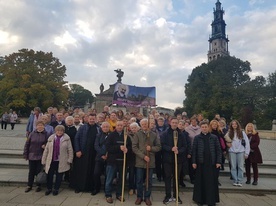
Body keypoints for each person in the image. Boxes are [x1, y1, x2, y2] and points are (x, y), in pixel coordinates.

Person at [132, 118, 161, 206]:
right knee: (139, 180)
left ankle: (147, 197)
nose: (145, 126)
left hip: (150, 161)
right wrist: (143, 156)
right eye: (143, 124)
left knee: (149, 181)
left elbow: (159, 146)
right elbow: (134, 147)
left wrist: (151, 148)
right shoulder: (137, 134)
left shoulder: (153, 134)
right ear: (140, 125)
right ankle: (139, 197)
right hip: (140, 161)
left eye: (146, 124)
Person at [192, 121, 222, 206]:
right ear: (200, 128)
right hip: (201, 163)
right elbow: (194, 151)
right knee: (200, 182)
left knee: (211, 182)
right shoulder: (197, 138)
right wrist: (194, 162)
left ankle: (211, 200)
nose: (204, 128)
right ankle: (200, 200)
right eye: (203, 127)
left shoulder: (214, 137)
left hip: (211, 163)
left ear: (208, 128)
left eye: (206, 127)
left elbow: (218, 150)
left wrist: (218, 161)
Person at [71, 114, 100, 193]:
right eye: (90, 119)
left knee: (92, 171)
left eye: (93, 119)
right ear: (87, 119)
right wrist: (77, 150)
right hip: (83, 152)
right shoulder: (83, 127)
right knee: (81, 170)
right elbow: (76, 138)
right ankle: (79, 187)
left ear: (96, 119)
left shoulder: (98, 128)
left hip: (94, 153)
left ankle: (91, 188)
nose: (92, 120)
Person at [161, 118, 187, 204]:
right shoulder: (165, 133)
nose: (174, 124)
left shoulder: (181, 134)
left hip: (178, 159)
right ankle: (168, 195)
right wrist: (171, 149)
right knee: (168, 177)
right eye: (173, 122)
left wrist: (179, 151)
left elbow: (184, 146)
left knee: (177, 177)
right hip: (167, 159)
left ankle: (176, 195)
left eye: (176, 123)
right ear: (170, 123)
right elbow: (162, 145)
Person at [41, 125, 73, 196]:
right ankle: (49, 188)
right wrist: (43, 160)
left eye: (61, 130)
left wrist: (70, 159)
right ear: (55, 131)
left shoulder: (66, 139)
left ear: (63, 131)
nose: (59, 132)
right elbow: (46, 150)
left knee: (59, 175)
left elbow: (70, 150)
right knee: (49, 175)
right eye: (58, 130)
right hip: (51, 160)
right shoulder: (51, 138)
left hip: (61, 160)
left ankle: (56, 189)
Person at [104, 121, 131, 204]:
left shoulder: (126, 136)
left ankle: (119, 194)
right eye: (118, 125)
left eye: (121, 125)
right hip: (112, 161)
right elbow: (108, 147)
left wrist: (127, 150)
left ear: (123, 126)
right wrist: (119, 147)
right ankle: (108, 194)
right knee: (110, 178)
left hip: (122, 161)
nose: (119, 126)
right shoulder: (111, 135)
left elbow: (130, 146)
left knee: (121, 179)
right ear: (116, 126)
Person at [23, 121, 48, 193]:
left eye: (41, 125)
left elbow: (49, 143)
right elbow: (27, 144)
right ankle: (29, 185)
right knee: (31, 171)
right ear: (36, 126)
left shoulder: (46, 134)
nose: (40, 127)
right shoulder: (32, 134)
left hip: (41, 155)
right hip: (32, 155)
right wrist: (25, 154)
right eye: (38, 125)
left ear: (44, 126)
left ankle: (38, 185)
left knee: (38, 171)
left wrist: (45, 145)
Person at [224, 120, 250, 187]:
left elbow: (247, 143)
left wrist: (247, 153)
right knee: (233, 167)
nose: (234, 125)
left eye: (235, 124)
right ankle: (235, 180)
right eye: (233, 124)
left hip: (241, 151)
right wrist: (227, 144)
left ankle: (240, 180)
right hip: (232, 151)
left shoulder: (242, 132)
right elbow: (225, 139)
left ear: (238, 125)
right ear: (231, 125)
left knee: (240, 166)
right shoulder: (229, 132)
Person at [92, 121, 110, 196]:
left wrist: (107, 154)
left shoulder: (111, 135)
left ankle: (107, 189)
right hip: (99, 157)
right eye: (104, 127)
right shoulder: (98, 135)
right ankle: (97, 188)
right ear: (101, 128)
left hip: (109, 157)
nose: (105, 128)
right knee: (96, 173)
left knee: (107, 174)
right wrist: (102, 154)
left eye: (107, 127)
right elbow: (96, 146)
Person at [209, 119, 226, 186]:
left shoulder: (220, 132)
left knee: (217, 166)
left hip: (219, 150)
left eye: (216, 124)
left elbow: (222, 141)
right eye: (213, 124)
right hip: (211, 151)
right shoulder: (209, 132)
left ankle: (216, 179)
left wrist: (224, 149)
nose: (214, 126)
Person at [185, 116, 201, 184]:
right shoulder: (187, 129)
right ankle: (192, 178)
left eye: (195, 121)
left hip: (198, 148)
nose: (194, 122)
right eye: (192, 121)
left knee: (198, 163)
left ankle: (197, 177)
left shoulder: (200, 129)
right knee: (191, 164)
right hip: (191, 148)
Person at [128, 122, 140, 195]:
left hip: (138, 156)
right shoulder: (128, 136)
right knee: (131, 173)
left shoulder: (140, 135)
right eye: (132, 128)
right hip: (131, 157)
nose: (133, 129)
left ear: (137, 128)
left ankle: (137, 188)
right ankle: (131, 188)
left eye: (135, 128)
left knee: (138, 174)